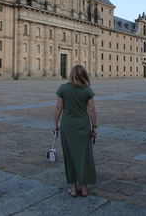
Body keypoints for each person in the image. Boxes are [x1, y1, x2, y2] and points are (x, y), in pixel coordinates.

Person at [53, 65, 97, 197]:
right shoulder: (87, 90)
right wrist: (94, 127)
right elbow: (92, 109)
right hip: (83, 126)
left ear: (71, 74)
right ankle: (83, 188)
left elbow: (58, 108)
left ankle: (72, 188)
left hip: (67, 126)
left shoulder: (63, 88)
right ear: (84, 74)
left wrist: (55, 125)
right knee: (84, 155)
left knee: (70, 156)